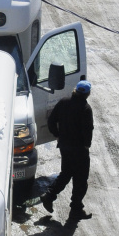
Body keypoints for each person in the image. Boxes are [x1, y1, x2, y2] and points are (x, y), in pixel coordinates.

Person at [41, 80, 94, 221]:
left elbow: (51, 120)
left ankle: (49, 196)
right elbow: (88, 130)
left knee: (66, 173)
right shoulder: (85, 108)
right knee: (81, 179)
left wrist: (57, 135)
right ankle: (76, 208)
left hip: (65, 147)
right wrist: (87, 145)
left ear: (75, 90)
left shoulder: (64, 102)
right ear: (87, 93)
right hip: (79, 150)